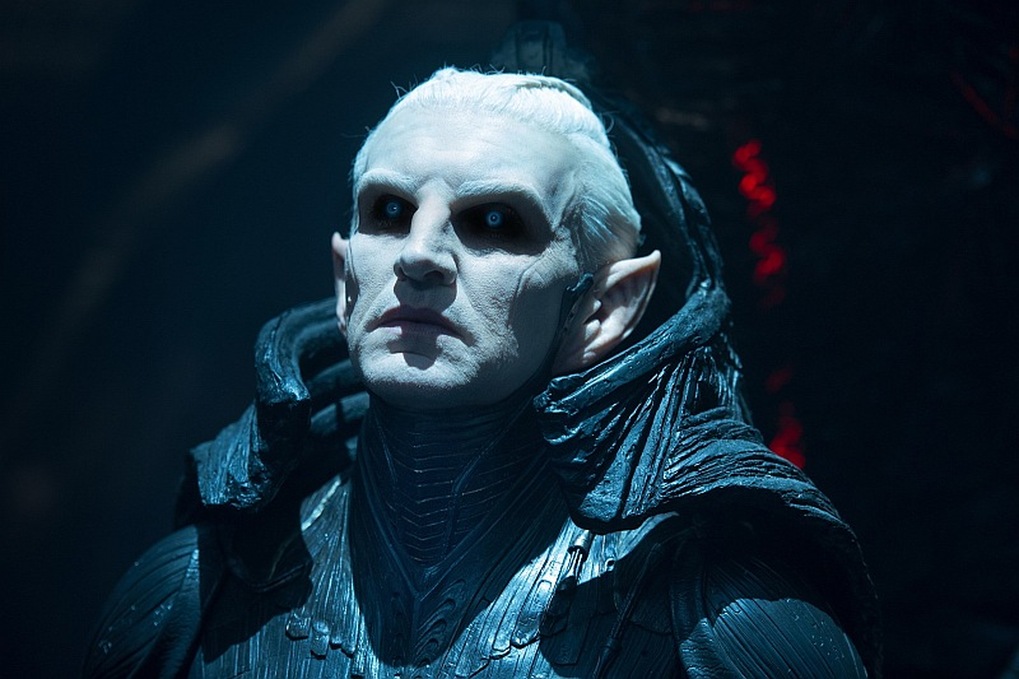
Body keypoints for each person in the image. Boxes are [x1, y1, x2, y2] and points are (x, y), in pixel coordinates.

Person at [84, 62, 880, 678]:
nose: (419, 254)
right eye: (388, 211)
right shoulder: (193, 592)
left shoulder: (724, 618)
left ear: (603, 306)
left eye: (494, 220)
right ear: (345, 279)